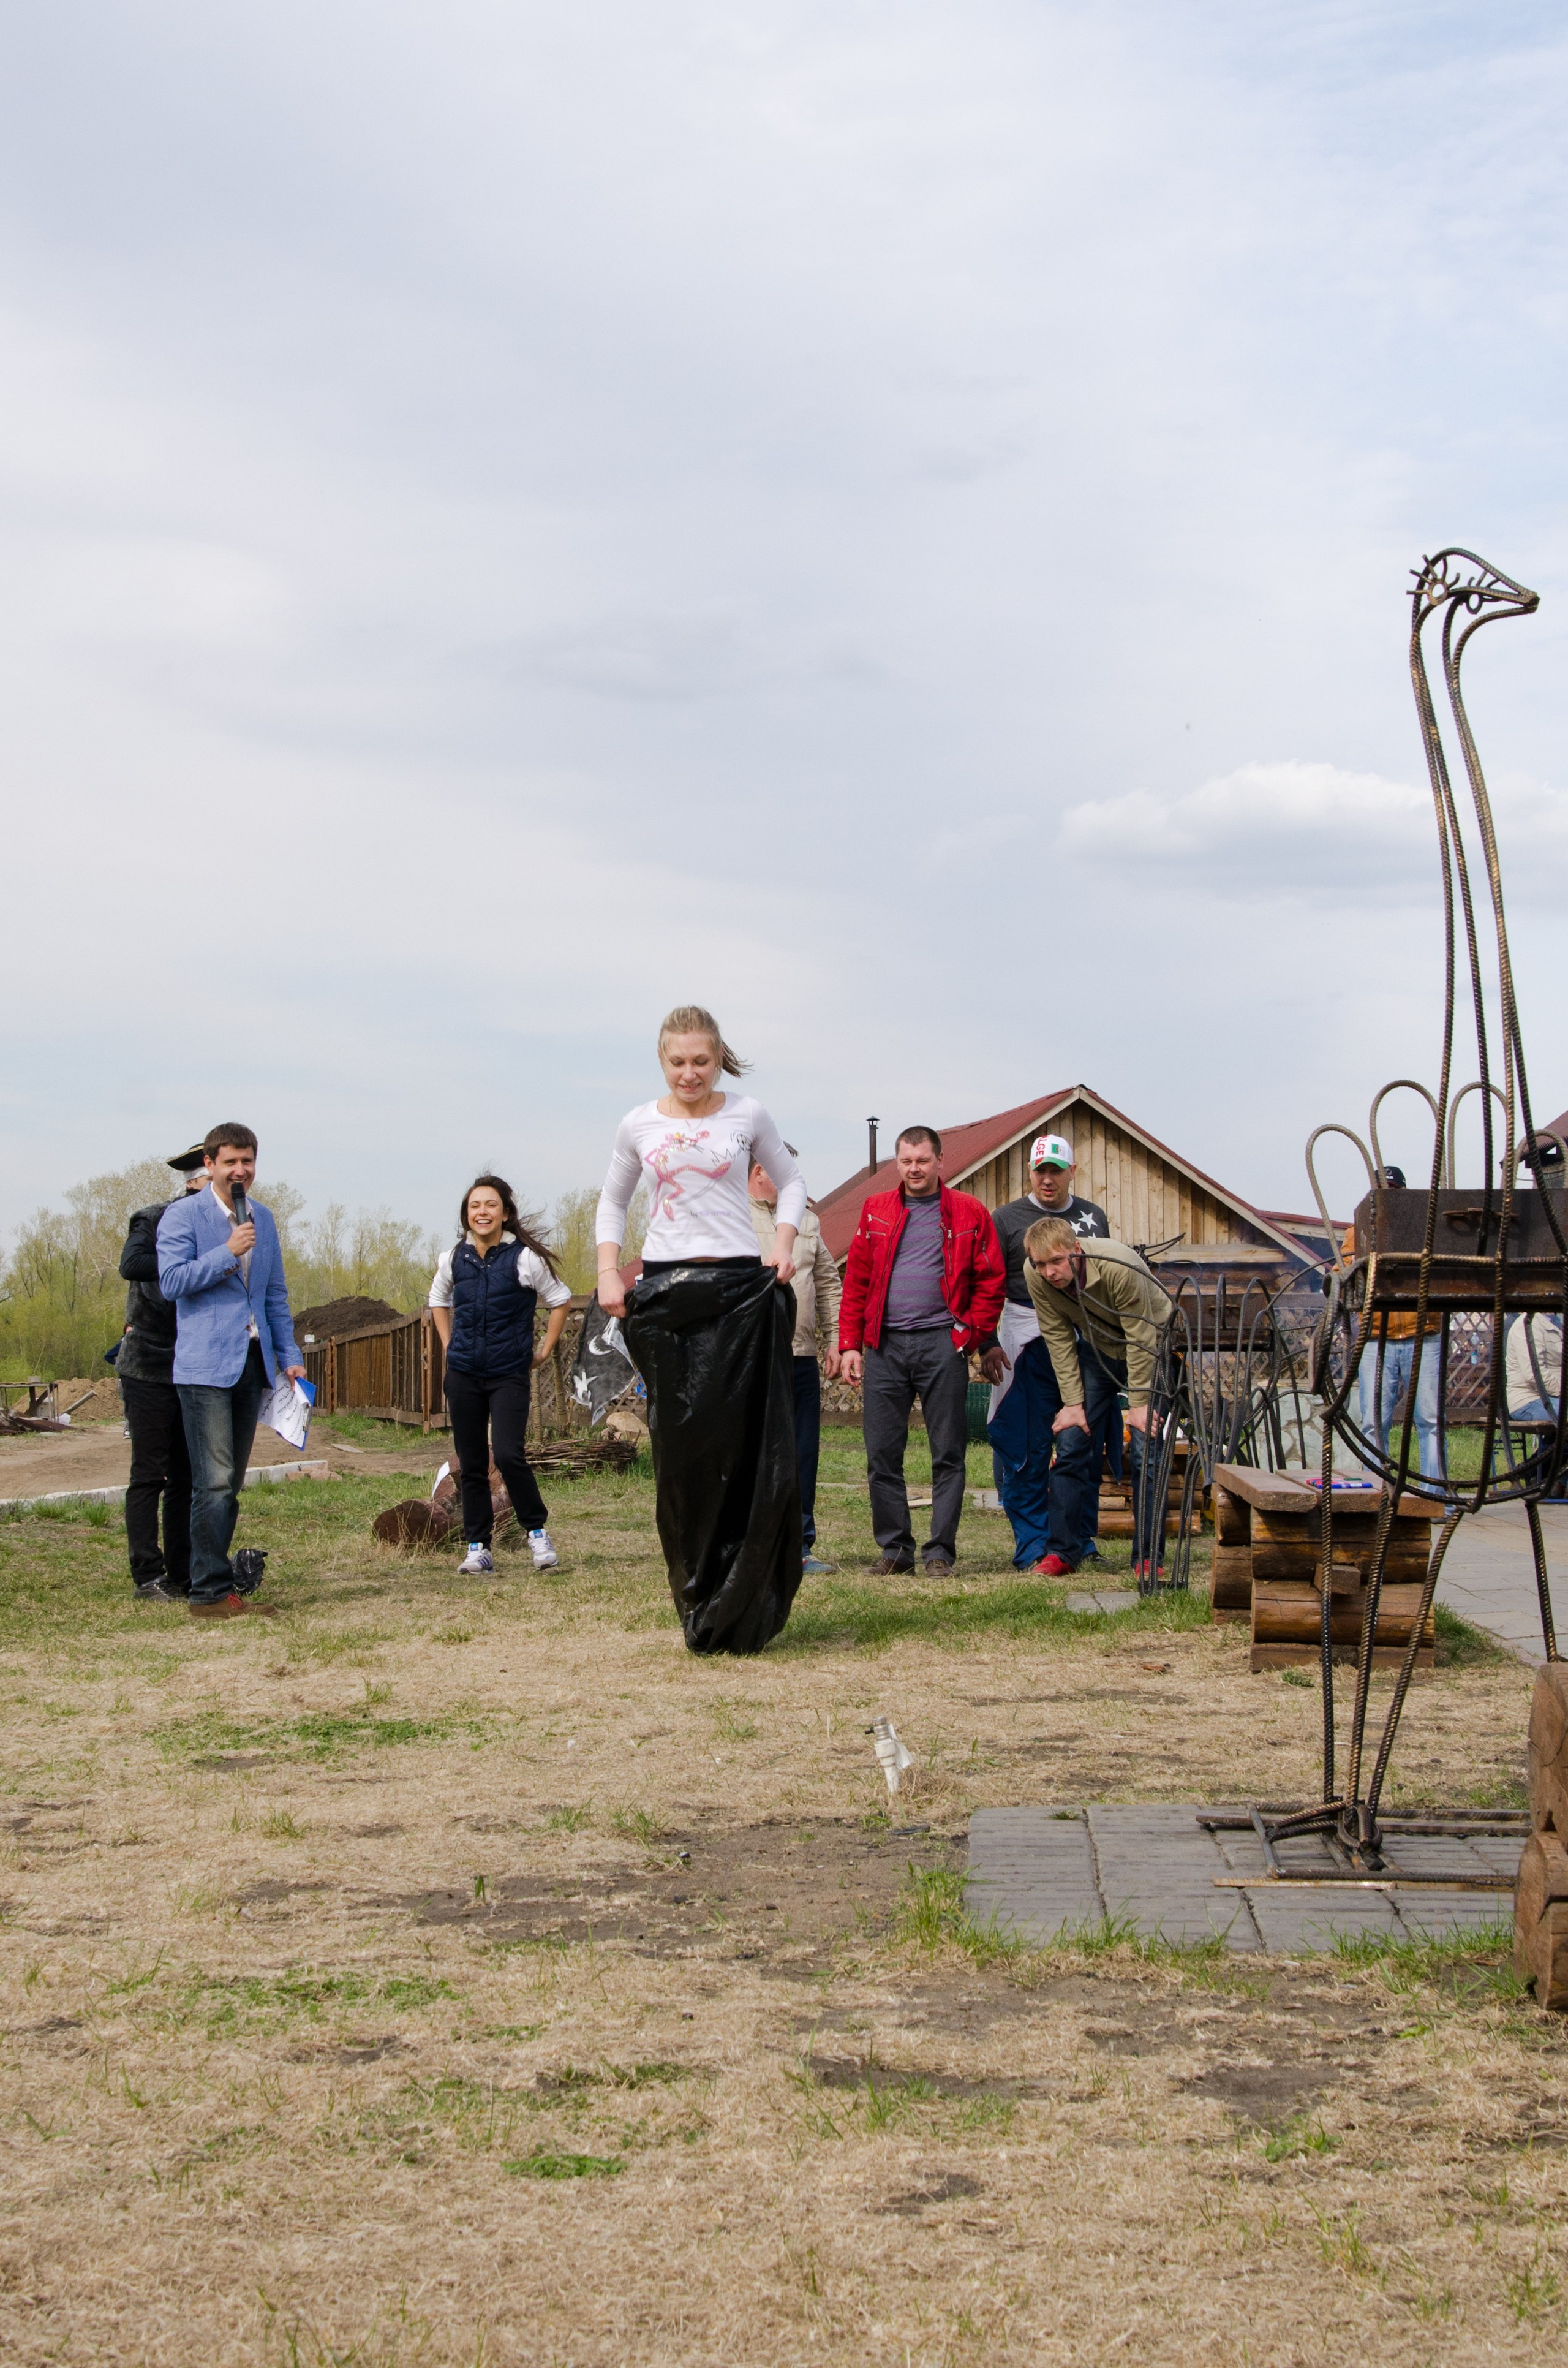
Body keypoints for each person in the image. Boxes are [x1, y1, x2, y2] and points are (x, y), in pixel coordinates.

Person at [595, 1004, 807, 1655]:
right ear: (663, 1061)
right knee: (682, 1457)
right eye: (678, 1062)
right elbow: (613, 1201)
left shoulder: (747, 1114)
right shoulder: (638, 1123)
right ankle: (696, 1597)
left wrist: (782, 1241)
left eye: (702, 1061)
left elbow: (794, 1181)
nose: (690, 1073)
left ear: (718, 1058)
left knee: (746, 1449)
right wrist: (608, 1272)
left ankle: (746, 1602)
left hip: (741, 1292)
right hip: (667, 1299)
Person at [838, 1126, 1005, 1578]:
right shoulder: (876, 1210)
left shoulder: (969, 1211)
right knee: (881, 1454)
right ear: (898, 1163)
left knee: (948, 1452)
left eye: (923, 1160)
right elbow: (855, 1280)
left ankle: (940, 1552)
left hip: (940, 1344)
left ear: (940, 1162)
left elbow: (991, 1280)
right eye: (907, 1160)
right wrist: (850, 1343)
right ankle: (895, 1550)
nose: (915, 1168)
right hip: (885, 1345)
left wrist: (969, 1333)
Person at [157, 1123, 305, 1618]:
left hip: (252, 1363)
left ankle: (216, 1584)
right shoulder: (184, 1216)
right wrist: (228, 1252)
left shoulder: (263, 1217)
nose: (240, 1170)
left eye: (248, 1161)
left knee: (231, 1482)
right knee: (213, 1483)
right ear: (209, 1163)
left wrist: (288, 1355)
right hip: (203, 1367)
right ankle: (208, 1593)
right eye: (230, 1162)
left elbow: (275, 1295)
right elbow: (172, 1281)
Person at [428, 1175, 573, 1575]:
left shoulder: (525, 1259)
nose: (483, 1212)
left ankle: (537, 1534)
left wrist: (543, 1349)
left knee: (509, 1454)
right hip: (464, 1374)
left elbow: (560, 1300)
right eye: (475, 1205)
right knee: (472, 1461)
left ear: (506, 1213)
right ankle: (479, 1547)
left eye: (491, 1205)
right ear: (467, 1214)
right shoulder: (453, 1258)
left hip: (509, 1372)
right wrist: (447, 1345)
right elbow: (437, 1299)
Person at [1023, 1214, 1174, 1589]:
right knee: (1072, 1439)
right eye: (1041, 1264)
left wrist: (1138, 1404)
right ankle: (1063, 1551)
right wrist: (1072, 1403)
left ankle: (1148, 1558)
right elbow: (1057, 1337)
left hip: (1153, 1346)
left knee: (1145, 1446)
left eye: (1056, 1262)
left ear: (1076, 1250)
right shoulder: (1035, 1274)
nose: (1049, 1272)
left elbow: (1142, 1335)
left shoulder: (1117, 1265)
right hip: (1099, 1349)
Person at [984, 1133, 1111, 1574]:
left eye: (1057, 1170)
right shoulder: (1006, 1218)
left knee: (1083, 1443)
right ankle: (1034, 1542)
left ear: (1071, 1171)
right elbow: (989, 1283)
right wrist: (987, 1340)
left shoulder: (1093, 1218)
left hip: (1085, 1338)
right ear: (1031, 1172)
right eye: (1041, 1170)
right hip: (1026, 1334)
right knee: (1027, 1445)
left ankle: (1078, 1538)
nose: (1048, 1178)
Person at [115, 1143, 207, 1601]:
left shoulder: (221, 1229)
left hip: (192, 1366)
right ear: (194, 1181)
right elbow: (130, 1265)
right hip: (148, 1364)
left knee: (185, 1476)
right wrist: (183, 1264)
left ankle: (181, 1572)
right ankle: (146, 1576)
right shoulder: (152, 1218)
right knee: (149, 1473)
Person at [749, 1154, 842, 1576]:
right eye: (780, 1171)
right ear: (756, 1173)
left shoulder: (807, 1222)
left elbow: (826, 1281)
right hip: (748, 1361)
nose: (791, 1180)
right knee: (751, 1453)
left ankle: (800, 1546)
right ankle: (749, 1546)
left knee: (802, 1451)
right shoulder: (730, 1217)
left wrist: (838, 1339)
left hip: (799, 1357)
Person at [1342, 1167, 1442, 1481]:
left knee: (1430, 1420)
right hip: (1376, 1337)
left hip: (1423, 1333)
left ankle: (1437, 1499)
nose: (1388, 1196)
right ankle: (1376, 1494)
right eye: (1383, 1190)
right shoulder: (1356, 1231)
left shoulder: (1426, 1227)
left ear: (1404, 1193)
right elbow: (1346, 1269)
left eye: (1395, 1190)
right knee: (1374, 1422)